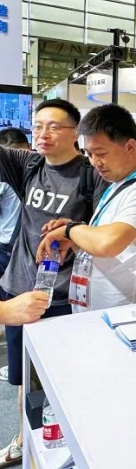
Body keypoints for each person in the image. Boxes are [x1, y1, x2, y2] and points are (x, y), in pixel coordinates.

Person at [0, 98, 108, 469]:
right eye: (38, 125)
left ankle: (65, 449)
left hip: (64, 296)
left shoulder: (91, 174)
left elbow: (104, 229)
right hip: (20, 289)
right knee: (23, 378)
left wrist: (74, 230)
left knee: (65, 377)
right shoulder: (28, 164)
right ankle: (22, 439)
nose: (43, 133)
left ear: (75, 132)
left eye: (54, 126)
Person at [37, 104, 136, 312]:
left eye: (100, 153)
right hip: (100, 315)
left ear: (130, 146)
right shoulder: (118, 185)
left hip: (127, 316)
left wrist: (70, 229)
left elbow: (107, 243)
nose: (95, 162)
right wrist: (76, 238)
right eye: (89, 154)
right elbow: (113, 248)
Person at [0, 128, 31, 383]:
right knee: (11, 308)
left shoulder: (34, 173)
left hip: (21, 248)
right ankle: (15, 368)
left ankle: (18, 368)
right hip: (6, 247)